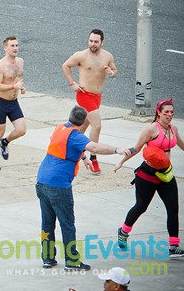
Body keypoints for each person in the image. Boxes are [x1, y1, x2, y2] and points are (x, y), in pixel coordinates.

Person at [36, 106, 129, 271]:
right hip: (58, 186)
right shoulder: (76, 136)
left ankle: (48, 258)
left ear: (69, 117)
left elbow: (66, 146)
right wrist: (117, 150)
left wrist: (83, 157)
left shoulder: (60, 128)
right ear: (84, 121)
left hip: (42, 181)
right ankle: (72, 261)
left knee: (47, 223)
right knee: (67, 224)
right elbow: (94, 147)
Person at [114, 98, 184, 256]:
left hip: (166, 175)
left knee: (173, 208)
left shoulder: (173, 129)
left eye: (172, 112)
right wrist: (121, 161)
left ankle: (173, 246)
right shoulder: (151, 129)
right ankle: (123, 231)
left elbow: (181, 144)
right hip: (147, 175)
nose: (169, 115)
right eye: (166, 112)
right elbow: (137, 148)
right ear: (158, 113)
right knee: (141, 206)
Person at [62, 29, 117, 174]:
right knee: (97, 126)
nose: (93, 44)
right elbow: (66, 65)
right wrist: (72, 83)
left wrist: (111, 73)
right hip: (84, 95)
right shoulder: (81, 55)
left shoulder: (107, 56)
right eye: (91, 41)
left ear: (102, 42)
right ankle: (93, 156)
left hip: (97, 96)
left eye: (96, 41)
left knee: (83, 127)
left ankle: (69, 146)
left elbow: (114, 70)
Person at [0, 36, 26, 171]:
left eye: (16, 45)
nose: (15, 48)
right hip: (0, 102)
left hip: (13, 102)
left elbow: (19, 77)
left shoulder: (20, 62)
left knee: (21, 130)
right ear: (5, 48)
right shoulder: (0, 65)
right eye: (12, 46)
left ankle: (5, 142)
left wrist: (22, 86)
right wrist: (14, 86)